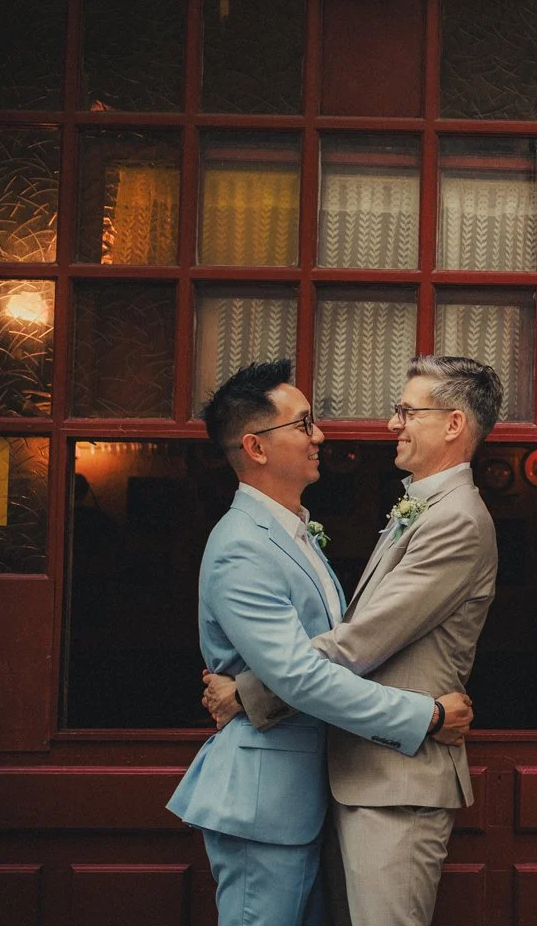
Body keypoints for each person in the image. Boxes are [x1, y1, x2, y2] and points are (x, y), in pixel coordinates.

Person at [167, 359, 474, 926]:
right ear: (256, 448)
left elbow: (337, 646)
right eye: (304, 425)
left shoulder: (292, 530)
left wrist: (247, 690)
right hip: (263, 802)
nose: (321, 436)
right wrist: (423, 716)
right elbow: (301, 676)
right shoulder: (242, 546)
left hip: (304, 801)